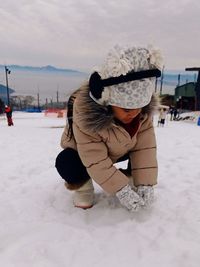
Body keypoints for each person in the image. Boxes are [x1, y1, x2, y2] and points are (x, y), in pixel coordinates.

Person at [55, 44, 163, 212]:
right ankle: (83, 187)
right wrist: (120, 189)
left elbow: (144, 148)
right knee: (67, 162)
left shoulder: (141, 113)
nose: (134, 113)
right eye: (127, 109)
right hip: (83, 155)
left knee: (138, 152)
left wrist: (145, 183)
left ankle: (129, 178)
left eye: (140, 107)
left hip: (119, 148)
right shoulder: (86, 114)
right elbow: (94, 157)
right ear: (108, 101)